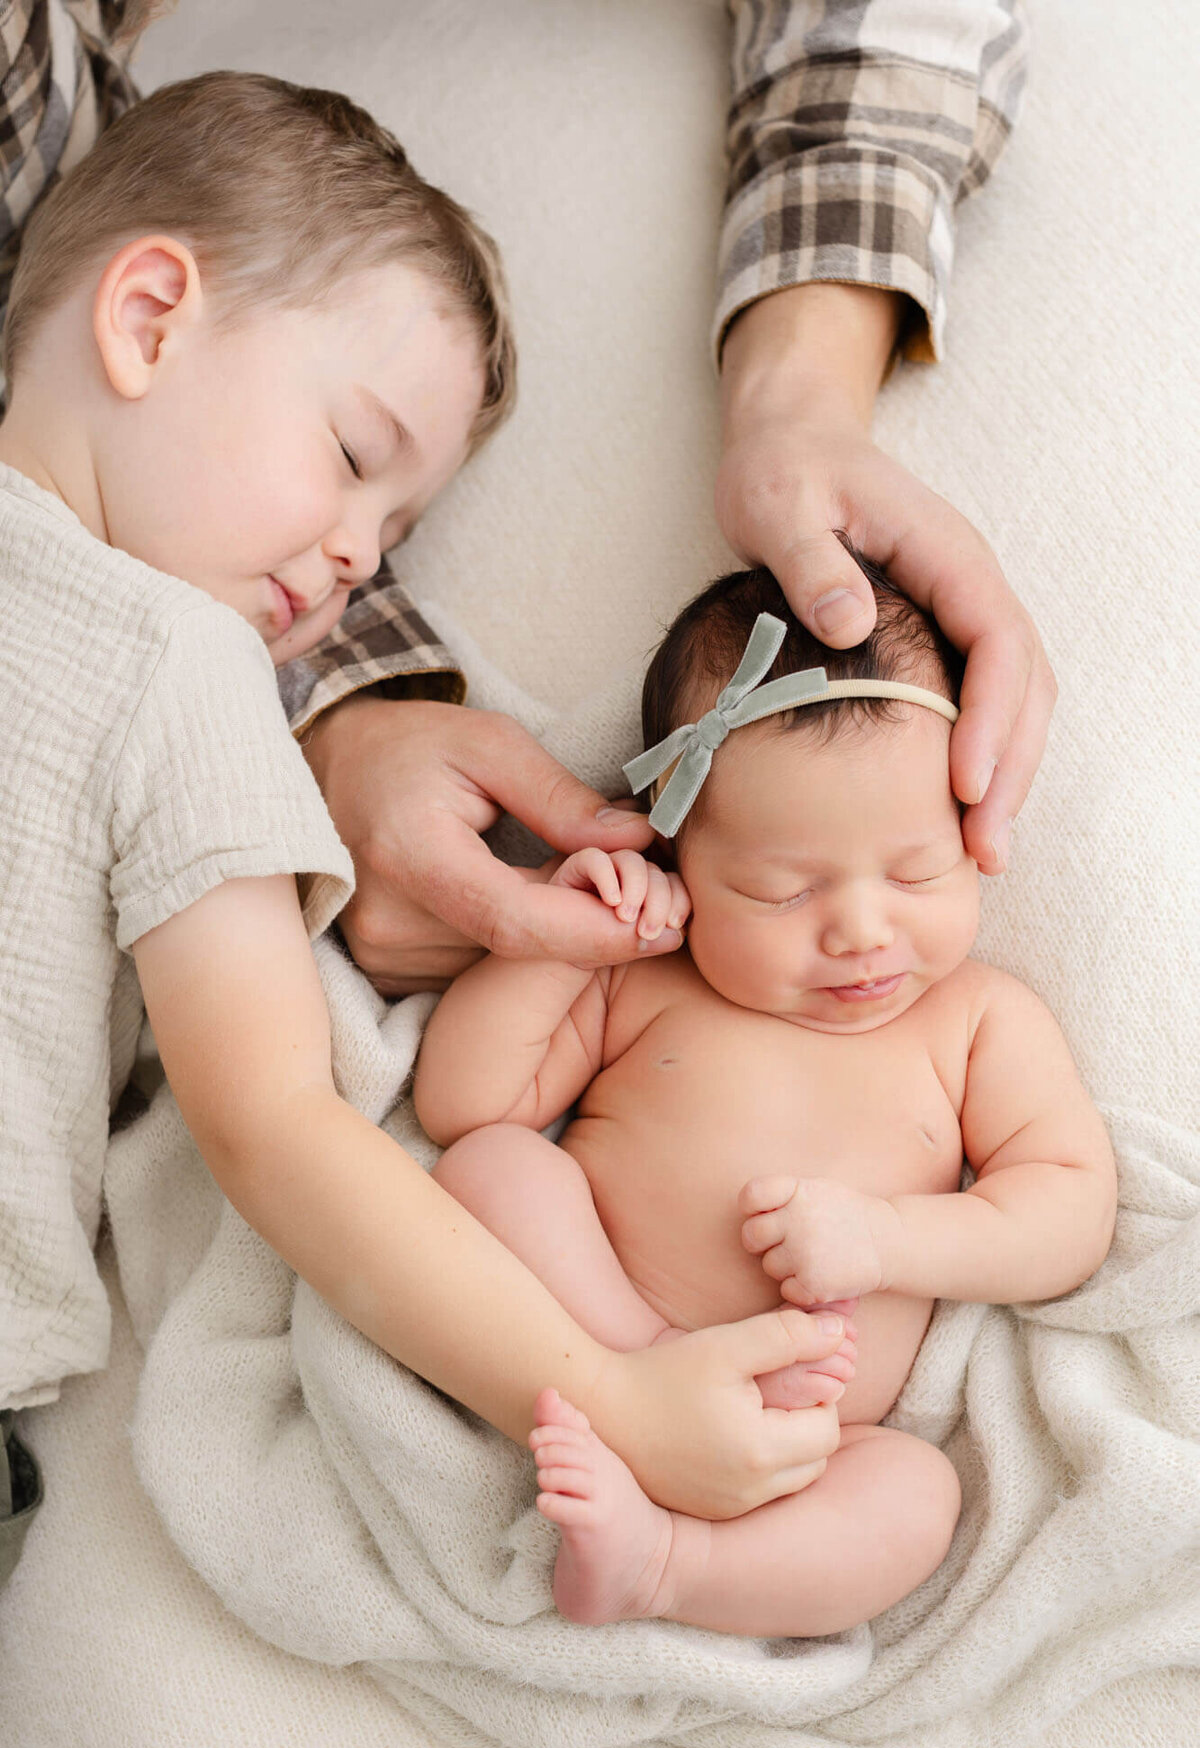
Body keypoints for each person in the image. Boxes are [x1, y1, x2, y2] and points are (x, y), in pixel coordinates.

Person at [0, 70, 851, 1588]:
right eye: (350, 453)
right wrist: (609, 1400)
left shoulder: (194, 668)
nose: (348, 561)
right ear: (145, 319)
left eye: (394, 537)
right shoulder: (177, 661)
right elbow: (276, 1129)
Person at [412, 563, 1117, 1636]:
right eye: (781, 891)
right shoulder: (646, 975)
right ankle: (639, 1380)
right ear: (677, 849)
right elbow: (467, 1103)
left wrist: (885, 1241)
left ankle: (665, 1566)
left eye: (919, 872)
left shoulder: (977, 1021)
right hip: (592, 1348)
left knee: (916, 1499)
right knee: (488, 1172)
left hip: (805, 1437)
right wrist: (567, 940)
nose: (861, 931)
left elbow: (1069, 1213)